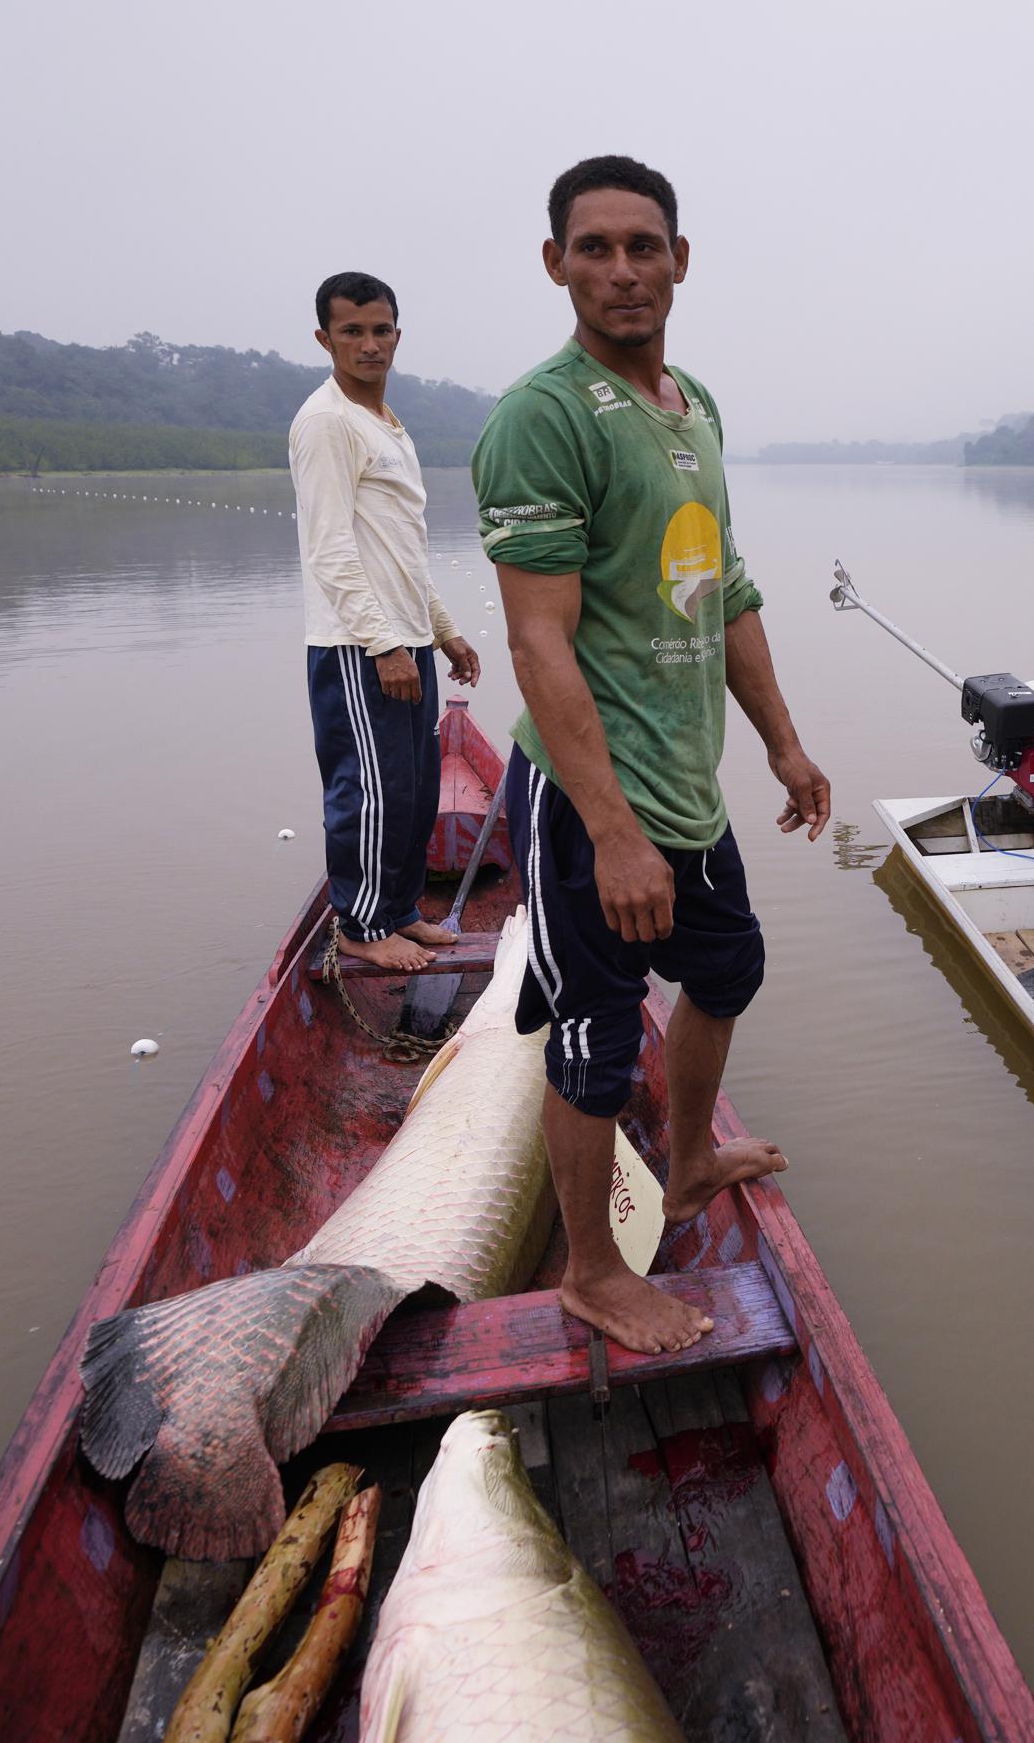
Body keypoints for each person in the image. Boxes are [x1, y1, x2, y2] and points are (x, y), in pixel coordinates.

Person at [474, 155, 831, 1356]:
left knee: (726, 967)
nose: (622, 269)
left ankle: (680, 1166)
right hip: (591, 800)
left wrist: (783, 742)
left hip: (688, 787)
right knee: (592, 1030)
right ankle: (588, 1272)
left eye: (643, 245)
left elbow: (721, 586)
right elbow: (537, 639)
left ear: (680, 258)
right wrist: (613, 829)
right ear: (555, 263)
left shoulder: (695, 406)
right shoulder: (546, 417)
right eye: (595, 247)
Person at [292, 270, 482, 976]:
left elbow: (402, 548)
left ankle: (400, 909)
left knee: (414, 787)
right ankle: (362, 924)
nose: (369, 345)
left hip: (402, 639)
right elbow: (331, 550)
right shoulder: (327, 423)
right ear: (326, 338)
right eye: (352, 332)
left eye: (380, 331)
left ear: (397, 336)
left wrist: (442, 631)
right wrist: (381, 645)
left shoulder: (385, 424)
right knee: (370, 789)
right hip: (357, 645)